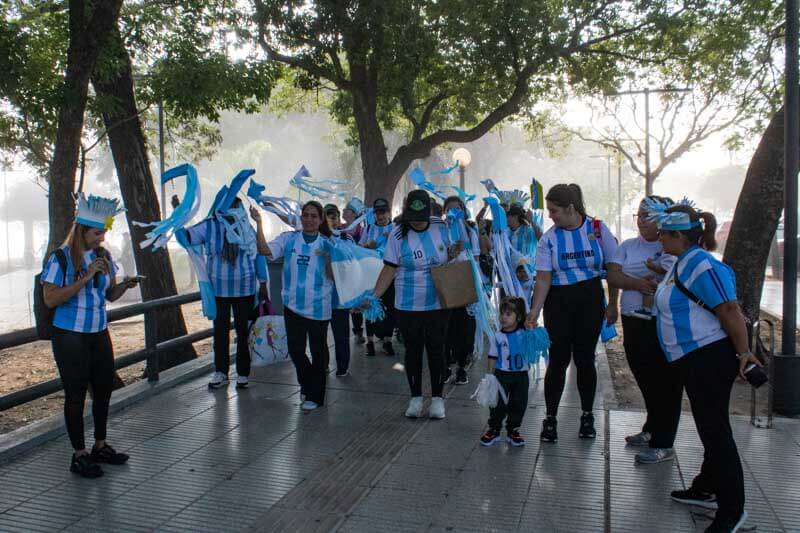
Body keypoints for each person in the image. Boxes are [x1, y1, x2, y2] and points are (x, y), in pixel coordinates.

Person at [649, 200, 759, 533]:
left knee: (715, 433)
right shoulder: (683, 261)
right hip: (694, 358)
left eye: (663, 235)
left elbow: (728, 309)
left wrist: (744, 353)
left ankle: (732, 509)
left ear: (679, 236)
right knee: (711, 427)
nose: (659, 240)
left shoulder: (700, 265)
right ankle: (706, 488)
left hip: (709, 358)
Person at [41, 193, 140, 478]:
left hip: (98, 332)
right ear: (82, 231)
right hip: (70, 334)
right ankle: (79, 454)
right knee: (75, 395)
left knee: (103, 390)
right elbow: (50, 299)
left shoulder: (103, 256)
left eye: (104, 232)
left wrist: (125, 285)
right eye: (97, 233)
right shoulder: (61, 258)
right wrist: (84, 278)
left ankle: (100, 444)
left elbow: (107, 294)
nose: (102, 238)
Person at [525, 184, 619, 443]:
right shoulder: (549, 239)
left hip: (590, 300)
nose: (551, 216)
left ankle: (587, 415)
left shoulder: (598, 230)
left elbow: (612, 268)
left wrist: (613, 304)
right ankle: (550, 418)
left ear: (570, 208)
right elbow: (543, 279)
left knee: (585, 359)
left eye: (554, 211)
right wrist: (534, 312)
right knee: (557, 360)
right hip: (559, 303)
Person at [370, 190, 463, 419]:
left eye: (421, 217)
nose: (418, 223)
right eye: (413, 217)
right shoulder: (397, 235)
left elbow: (458, 251)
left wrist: (455, 250)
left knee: (436, 350)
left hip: (438, 302)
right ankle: (415, 397)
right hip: (407, 304)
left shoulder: (441, 227)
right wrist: (373, 297)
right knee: (412, 351)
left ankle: (438, 399)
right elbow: (389, 268)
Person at [606, 196, 682, 464]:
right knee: (644, 376)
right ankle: (652, 429)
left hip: (661, 323)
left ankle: (664, 442)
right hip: (633, 320)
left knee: (666, 382)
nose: (641, 221)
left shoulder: (671, 249)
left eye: (647, 216)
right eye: (638, 215)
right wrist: (637, 285)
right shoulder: (627, 246)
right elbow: (612, 275)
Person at [254, 201, 334, 412]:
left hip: (319, 309)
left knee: (318, 354)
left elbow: (336, 276)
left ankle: (315, 395)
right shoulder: (289, 239)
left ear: (320, 220)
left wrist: (330, 263)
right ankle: (307, 384)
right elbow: (264, 250)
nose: (308, 219)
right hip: (293, 307)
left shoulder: (328, 245)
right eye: (305, 215)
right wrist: (259, 223)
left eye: (313, 216)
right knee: (296, 351)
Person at [182, 196, 265, 390]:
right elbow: (186, 237)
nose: (233, 209)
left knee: (243, 333)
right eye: (228, 205)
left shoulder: (246, 227)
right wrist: (181, 213)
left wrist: (263, 283)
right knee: (220, 333)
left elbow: (258, 254)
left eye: (236, 206)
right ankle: (221, 373)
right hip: (218, 290)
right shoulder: (209, 226)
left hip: (244, 288)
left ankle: (243, 373)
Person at [480, 297, 530, 447]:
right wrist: (490, 375)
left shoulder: (524, 333)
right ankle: (494, 429)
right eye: (502, 313)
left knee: (519, 402)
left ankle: (513, 430)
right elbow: (493, 355)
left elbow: (535, 340)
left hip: (521, 376)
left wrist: (532, 326)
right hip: (501, 375)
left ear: (519, 317)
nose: (503, 317)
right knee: (497, 403)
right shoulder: (497, 336)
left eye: (508, 314)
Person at [442, 195, 480, 385]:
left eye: (457, 209)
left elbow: (477, 257)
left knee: (466, 327)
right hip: (446, 284)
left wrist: (463, 252)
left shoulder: (470, 230)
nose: (454, 213)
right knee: (447, 327)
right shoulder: (440, 231)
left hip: (466, 283)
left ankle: (462, 367)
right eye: (450, 210)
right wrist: (449, 255)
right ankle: (447, 365)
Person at [359, 198, 396, 356]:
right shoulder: (368, 229)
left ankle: (387, 341)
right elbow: (359, 247)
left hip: (390, 275)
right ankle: (370, 341)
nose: (380, 216)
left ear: (389, 213)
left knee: (390, 308)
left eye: (383, 212)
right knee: (369, 306)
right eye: (377, 213)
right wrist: (368, 246)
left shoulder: (395, 229)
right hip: (371, 275)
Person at [324, 203, 353, 377]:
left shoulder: (346, 238)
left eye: (334, 217)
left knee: (341, 335)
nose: (332, 221)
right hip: (321, 296)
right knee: (319, 336)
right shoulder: (318, 239)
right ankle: (323, 364)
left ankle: (342, 367)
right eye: (328, 217)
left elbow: (353, 262)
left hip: (340, 296)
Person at [342, 198, 366, 342]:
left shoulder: (360, 229)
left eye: (346, 209)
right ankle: (352, 330)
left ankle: (359, 332)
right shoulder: (340, 227)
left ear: (353, 213)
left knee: (356, 300)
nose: (343, 211)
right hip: (342, 269)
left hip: (356, 269)